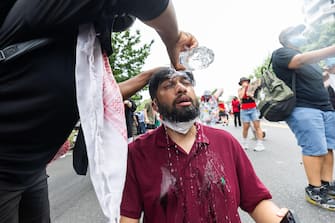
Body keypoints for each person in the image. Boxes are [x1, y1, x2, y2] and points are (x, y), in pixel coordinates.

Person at [0, 0, 198, 222]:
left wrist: (150, 74)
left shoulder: (80, 42)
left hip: (32, 167)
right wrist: (173, 38)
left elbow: (100, 98)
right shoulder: (41, 7)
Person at [119, 67, 292, 223]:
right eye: (168, 85)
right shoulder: (137, 152)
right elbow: (129, 216)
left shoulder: (225, 141)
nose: (181, 88)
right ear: (155, 105)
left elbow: (255, 201)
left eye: (186, 83)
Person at [271, 24, 335, 211]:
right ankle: (314, 190)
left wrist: (328, 71)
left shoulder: (312, 63)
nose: (301, 36)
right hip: (303, 108)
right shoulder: (282, 53)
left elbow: (321, 81)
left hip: (325, 108)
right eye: (296, 33)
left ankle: (326, 184)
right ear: (286, 38)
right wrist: (331, 49)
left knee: (328, 147)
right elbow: (298, 62)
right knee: (315, 149)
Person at [238, 77, 265, 151]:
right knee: (245, 127)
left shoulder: (253, 88)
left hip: (253, 109)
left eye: (246, 81)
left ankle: (260, 144)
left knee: (257, 127)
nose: (245, 83)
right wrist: (244, 88)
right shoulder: (240, 90)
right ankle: (244, 143)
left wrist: (251, 94)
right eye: (243, 82)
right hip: (244, 110)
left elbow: (256, 98)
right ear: (241, 83)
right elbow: (240, 97)